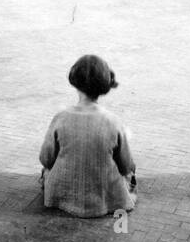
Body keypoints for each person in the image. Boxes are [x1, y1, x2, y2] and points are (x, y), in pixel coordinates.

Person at [38, 55, 136, 217]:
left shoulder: (61, 117)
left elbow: (46, 159)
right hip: (103, 198)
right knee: (130, 173)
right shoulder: (113, 121)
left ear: (75, 83)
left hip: (62, 196)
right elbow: (126, 166)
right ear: (104, 86)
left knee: (46, 171)